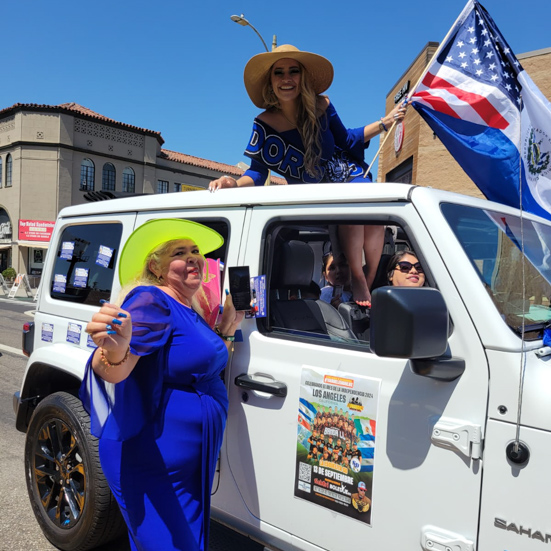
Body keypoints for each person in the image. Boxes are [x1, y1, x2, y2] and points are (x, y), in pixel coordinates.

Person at [79, 218, 244, 551]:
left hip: (184, 463)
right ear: (156, 266)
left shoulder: (190, 308)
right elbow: (113, 367)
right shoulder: (151, 300)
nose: (194, 257)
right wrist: (112, 351)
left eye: (196, 251)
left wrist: (227, 324)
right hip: (153, 460)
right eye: (180, 253)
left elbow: (203, 367)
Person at [208, 44, 408, 306]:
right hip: (313, 196)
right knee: (352, 212)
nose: (286, 78)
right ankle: (358, 278)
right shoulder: (264, 123)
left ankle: (368, 279)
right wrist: (233, 184)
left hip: (344, 174)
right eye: (278, 73)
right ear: (270, 81)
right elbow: (257, 172)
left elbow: (348, 138)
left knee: (368, 208)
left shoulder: (322, 104)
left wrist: (386, 122)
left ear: (303, 77)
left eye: (293, 71)